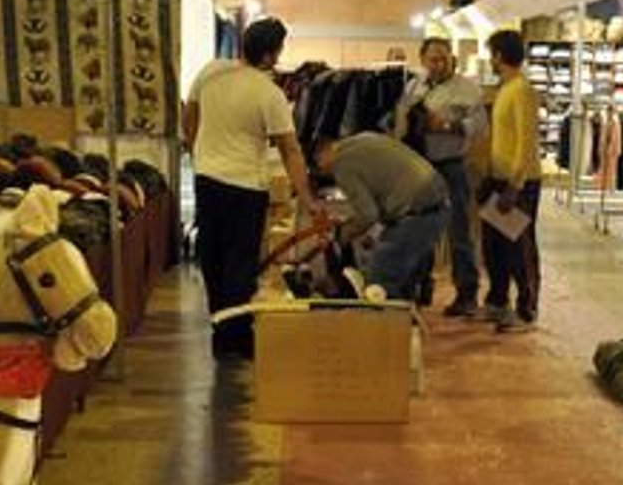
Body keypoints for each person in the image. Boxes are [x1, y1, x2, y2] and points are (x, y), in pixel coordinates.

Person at [184, 18, 320, 361]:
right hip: (246, 185)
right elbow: (291, 150)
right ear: (272, 55)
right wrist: (306, 197)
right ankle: (236, 336)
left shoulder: (210, 72)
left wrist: (195, 149)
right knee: (240, 262)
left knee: (211, 256)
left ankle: (221, 329)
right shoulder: (269, 94)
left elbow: (189, 114)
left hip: (207, 179)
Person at [396, 37, 485, 316]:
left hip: (451, 166)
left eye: (444, 58)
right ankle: (421, 287)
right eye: (433, 59)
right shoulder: (414, 87)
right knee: (419, 228)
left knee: (458, 231)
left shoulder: (468, 89)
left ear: (452, 59)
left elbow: (480, 127)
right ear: (423, 60)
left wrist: (447, 124)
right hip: (420, 166)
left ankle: (467, 295)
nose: (439, 63)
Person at [311, 132, 448, 302]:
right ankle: (405, 324)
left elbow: (368, 215)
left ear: (320, 158)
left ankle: (387, 326)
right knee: (403, 285)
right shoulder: (362, 139)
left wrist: (343, 235)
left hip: (417, 212)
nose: (326, 175)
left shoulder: (341, 163)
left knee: (379, 284)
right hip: (433, 202)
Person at [480, 29, 542, 333]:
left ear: (499, 56)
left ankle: (526, 310)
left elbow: (526, 143)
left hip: (519, 184)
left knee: (520, 247)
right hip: (498, 180)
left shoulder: (522, 90)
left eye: (491, 54)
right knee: (494, 247)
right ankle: (497, 302)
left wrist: (514, 185)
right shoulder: (504, 89)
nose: (489, 60)